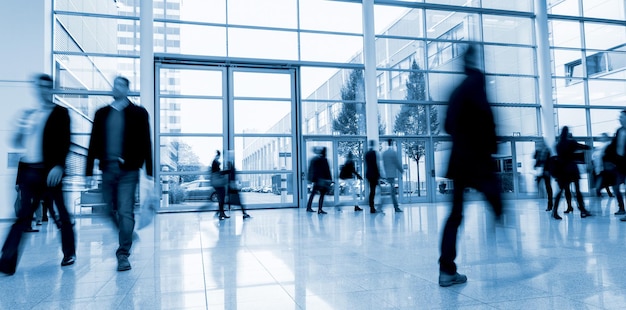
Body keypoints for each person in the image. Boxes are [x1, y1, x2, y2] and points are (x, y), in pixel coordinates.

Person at [438, 44, 503, 287]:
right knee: (494, 196)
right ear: (476, 59)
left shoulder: (455, 91)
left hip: (458, 161)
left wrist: (461, 137)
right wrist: (492, 145)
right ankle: (500, 221)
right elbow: (487, 116)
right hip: (477, 159)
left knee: (454, 216)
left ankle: (446, 270)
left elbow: (447, 125)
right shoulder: (478, 81)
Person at [0, 74, 76, 275]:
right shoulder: (29, 114)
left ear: (52, 89)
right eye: (39, 87)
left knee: (62, 214)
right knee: (22, 217)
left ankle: (69, 252)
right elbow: (17, 142)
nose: (43, 90)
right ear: (36, 89)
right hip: (30, 172)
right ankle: (6, 261)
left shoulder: (61, 113)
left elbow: (65, 142)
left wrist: (59, 166)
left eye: (47, 87)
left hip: (51, 172)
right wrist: (20, 129)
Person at [86, 76, 153, 272]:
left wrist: (149, 171)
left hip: (129, 170)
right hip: (107, 169)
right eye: (114, 84)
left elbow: (145, 141)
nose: (115, 87)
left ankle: (123, 253)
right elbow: (93, 142)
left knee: (125, 211)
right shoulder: (102, 113)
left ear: (127, 89)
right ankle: (128, 232)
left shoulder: (139, 113)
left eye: (120, 85)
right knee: (107, 210)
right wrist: (88, 169)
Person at [551, 126, 592, 220]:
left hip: (562, 170)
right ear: (568, 132)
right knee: (577, 190)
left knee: (561, 191)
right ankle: (582, 210)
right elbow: (582, 147)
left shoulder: (558, 145)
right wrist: (589, 146)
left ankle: (555, 211)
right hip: (572, 169)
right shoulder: (571, 142)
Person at [604, 110, 626, 218]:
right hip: (620, 165)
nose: (619, 119)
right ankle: (621, 208)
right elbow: (613, 145)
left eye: (621, 117)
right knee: (616, 187)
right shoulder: (619, 131)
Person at [224, 152, 251, 220]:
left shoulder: (229, 165)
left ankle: (220, 212)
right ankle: (244, 213)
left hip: (231, 186)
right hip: (232, 186)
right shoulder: (230, 166)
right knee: (238, 201)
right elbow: (231, 176)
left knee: (230, 201)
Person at [306, 146, 332, 214]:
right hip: (322, 180)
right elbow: (327, 170)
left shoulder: (315, 159)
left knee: (313, 194)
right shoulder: (323, 159)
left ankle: (309, 207)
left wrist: (312, 179)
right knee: (322, 195)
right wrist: (329, 179)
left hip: (317, 180)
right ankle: (319, 209)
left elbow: (312, 170)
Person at [382, 139, 403, 213]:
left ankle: (382, 207)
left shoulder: (384, 153)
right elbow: (396, 163)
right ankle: (395, 207)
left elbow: (384, 164)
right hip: (392, 175)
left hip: (387, 175)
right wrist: (401, 170)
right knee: (392, 193)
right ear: (392, 143)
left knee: (391, 192)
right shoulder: (393, 153)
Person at [533, 139, 554, 211]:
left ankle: (550, 204)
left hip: (546, 171)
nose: (539, 145)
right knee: (537, 184)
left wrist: (548, 170)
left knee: (548, 187)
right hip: (539, 171)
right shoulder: (538, 151)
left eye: (540, 143)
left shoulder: (547, 151)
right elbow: (535, 159)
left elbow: (550, 162)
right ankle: (540, 196)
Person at [592, 133, 614, 197]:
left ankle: (599, 191)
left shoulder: (606, 145)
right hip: (601, 167)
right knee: (604, 180)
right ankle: (601, 192)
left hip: (602, 167)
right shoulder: (602, 146)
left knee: (604, 180)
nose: (601, 139)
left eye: (603, 137)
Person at [210, 150, 229, 220]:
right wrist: (227, 171)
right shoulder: (215, 162)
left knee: (222, 198)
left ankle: (222, 213)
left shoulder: (214, 162)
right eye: (219, 156)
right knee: (221, 198)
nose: (219, 157)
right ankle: (221, 214)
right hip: (218, 183)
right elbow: (218, 172)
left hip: (217, 183)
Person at [364, 140, 381, 214]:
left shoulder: (366, 153)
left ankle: (372, 206)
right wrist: (378, 174)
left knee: (372, 191)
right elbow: (375, 165)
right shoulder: (374, 153)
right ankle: (372, 207)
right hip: (374, 175)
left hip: (369, 174)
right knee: (374, 191)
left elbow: (368, 165)